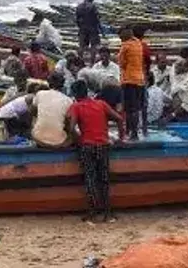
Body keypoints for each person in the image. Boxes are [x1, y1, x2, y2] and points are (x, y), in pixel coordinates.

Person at [66, 80, 123, 224]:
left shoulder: (76, 106)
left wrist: (78, 141)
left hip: (87, 146)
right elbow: (119, 119)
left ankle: (92, 214)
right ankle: (108, 213)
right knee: (104, 179)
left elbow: (72, 128)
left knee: (90, 179)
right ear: (87, 91)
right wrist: (122, 138)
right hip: (103, 146)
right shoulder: (101, 104)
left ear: (75, 94)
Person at [29, 72, 73, 148]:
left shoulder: (40, 94)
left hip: (37, 138)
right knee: (72, 137)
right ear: (62, 85)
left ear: (49, 83)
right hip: (58, 142)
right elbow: (69, 124)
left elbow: (32, 111)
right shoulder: (68, 100)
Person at [118, 27, 146, 140]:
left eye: (120, 36)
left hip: (129, 80)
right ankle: (135, 131)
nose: (120, 39)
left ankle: (132, 133)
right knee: (137, 108)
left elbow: (122, 63)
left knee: (130, 109)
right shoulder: (139, 43)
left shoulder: (125, 46)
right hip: (140, 80)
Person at [76, 0, 102, 65]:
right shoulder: (93, 6)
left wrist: (80, 27)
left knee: (82, 46)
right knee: (93, 47)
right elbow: (97, 19)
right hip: (93, 29)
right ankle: (92, 63)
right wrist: (100, 29)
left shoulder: (79, 6)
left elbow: (77, 19)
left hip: (82, 29)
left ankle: (80, 61)